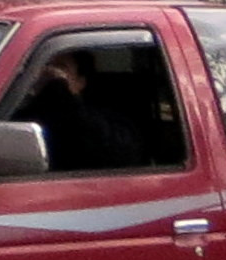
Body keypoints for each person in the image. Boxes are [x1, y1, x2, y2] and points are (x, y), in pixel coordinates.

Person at [11, 50, 143, 173]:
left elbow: (114, 155)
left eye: (60, 67)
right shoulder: (22, 118)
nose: (48, 73)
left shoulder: (109, 123)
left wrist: (60, 90)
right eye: (44, 66)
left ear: (81, 82)